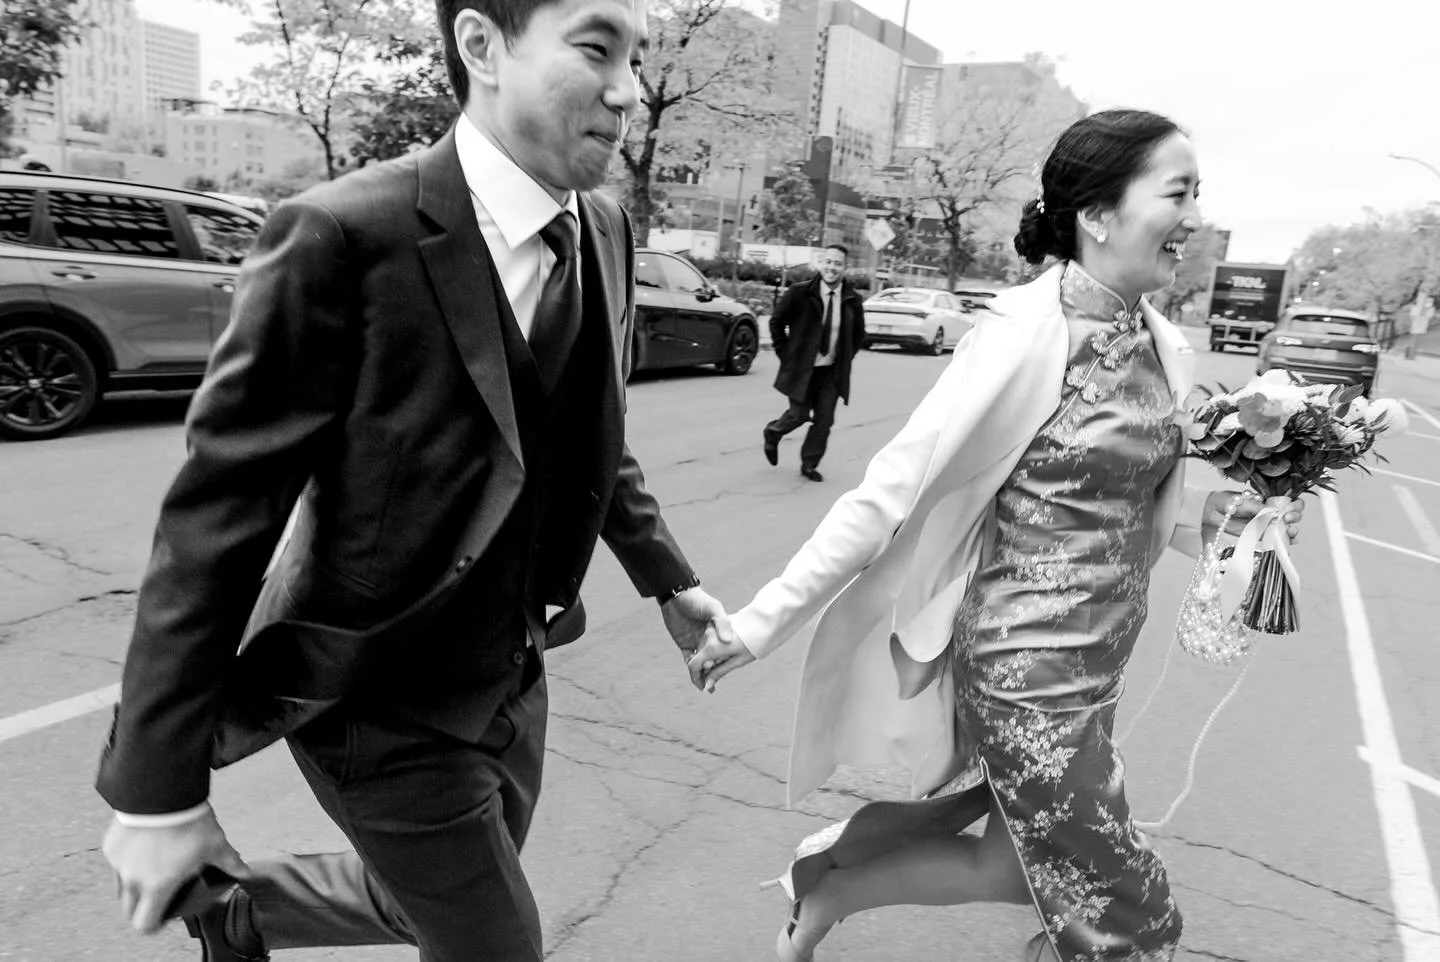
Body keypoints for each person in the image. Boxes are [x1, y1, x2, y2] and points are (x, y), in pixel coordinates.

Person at [96, 1, 736, 960]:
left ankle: (234, 910)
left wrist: (670, 581)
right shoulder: (343, 235)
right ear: (481, 45)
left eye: (637, 58)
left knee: (420, 904)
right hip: (372, 694)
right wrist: (157, 793)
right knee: (495, 942)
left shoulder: (602, 226)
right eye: (597, 49)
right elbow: (215, 522)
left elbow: (588, 433)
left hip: (512, 672)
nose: (629, 90)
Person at [690, 109, 1305, 962]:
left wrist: (1246, 528)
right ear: (1097, 214)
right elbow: (886, 495)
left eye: (1199, 194)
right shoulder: (1021, 336)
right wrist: (759, 622)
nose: (1194, 217)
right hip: (1026, 664)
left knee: (1018, 866)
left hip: (1098, 662)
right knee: (1115, 892)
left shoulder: (1166, 344)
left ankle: (831, 888)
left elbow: (1134, 509)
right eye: (1177, 193)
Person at [763, 244, 866, 482]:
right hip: (802, 369)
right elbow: (776, 322)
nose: (832, 268)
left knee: (824, 420)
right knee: (798, 414)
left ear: (845, 267)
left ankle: (809, 463)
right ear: (821, 263)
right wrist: (786, 354)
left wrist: (844, 359)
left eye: (838, 263)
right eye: (828, 262)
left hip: (830, 372)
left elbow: (859, 335)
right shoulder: (800, 293)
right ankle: (773, 432)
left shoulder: (852, 300)